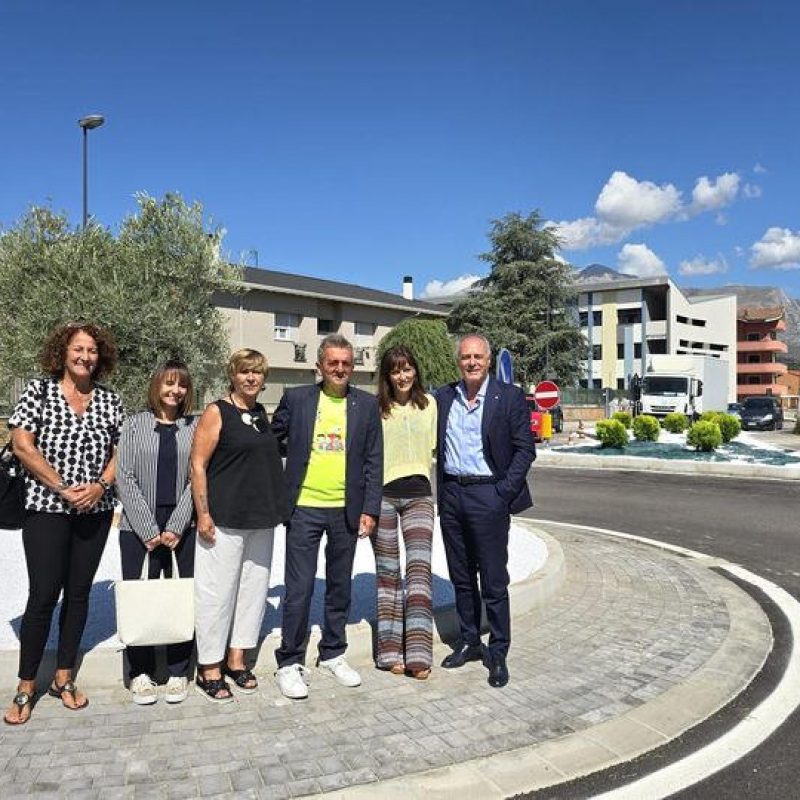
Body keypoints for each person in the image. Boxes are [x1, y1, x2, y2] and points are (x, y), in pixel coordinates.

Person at [3, 321, 123, 725]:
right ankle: (25, 684)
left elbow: (121, 450)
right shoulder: (38, 391)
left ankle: (64, 676)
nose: (85, 356)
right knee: (42, 595)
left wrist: (101, 484)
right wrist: (62, 487)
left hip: (96, 507)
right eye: (78, 349)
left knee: (78, 594)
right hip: (45, 507)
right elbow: (22, 444)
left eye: (91, 350)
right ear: (63, 352)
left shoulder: (109, 399)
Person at [272, 333, 383, 700]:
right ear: (319, 366)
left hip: (345, 511)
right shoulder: (297, 399)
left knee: (340, 587)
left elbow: (373, 461)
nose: (339, 369)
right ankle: (289, 661)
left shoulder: (366, 406)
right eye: (332, 363)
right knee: (299, 588)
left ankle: (333, 653)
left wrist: (369, 509)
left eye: (345, 363)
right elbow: (269, 443)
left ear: (353, 367)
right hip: (304, 508)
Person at [435, 333, 535, 689]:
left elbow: (525, 450)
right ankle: (468, 641)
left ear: (489, 360)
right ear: (458, 361)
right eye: (466, 357)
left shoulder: (507, 397)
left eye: (478, 356)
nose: (472, 362)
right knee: (461, 577)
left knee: (493, 580)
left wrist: (501, 493)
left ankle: (499, 651)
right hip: (452, 496)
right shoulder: (444, 397)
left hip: (488, 495)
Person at [190, 349, 288, 703]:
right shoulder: (218, 412)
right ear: (232, 375)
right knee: (217, 594)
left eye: (257, 373)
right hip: (224, 520)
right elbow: (197, 464)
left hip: (261, 520)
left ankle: (237, 658)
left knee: (251, 593)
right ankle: (210, 667)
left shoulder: (262, 415)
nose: (251, 378)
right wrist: (203, 513)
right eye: (245, 372)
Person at [116, 360, 197, 705]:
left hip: (183, 525)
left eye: (181, 386)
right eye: (168, 384)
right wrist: (148, 529)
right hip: (138, 526)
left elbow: (198, 477)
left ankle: (179, 670)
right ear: (156, 386)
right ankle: (141, 673)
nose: (174, 392)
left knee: (181, 596)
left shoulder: (194, 426)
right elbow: (124, 476)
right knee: (141, 598)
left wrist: (176, 525)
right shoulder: (134, 425)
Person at [373, 346, 437, 679]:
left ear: (416, 371)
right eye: (397, 370)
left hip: (419, 497)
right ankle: (388, 653)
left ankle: (418, 654)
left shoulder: (430, 406)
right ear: (387, 375)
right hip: (383, 496)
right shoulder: (376, 410)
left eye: (408, 368)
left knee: (419, 572)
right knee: (387, 575)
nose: (403, 376)